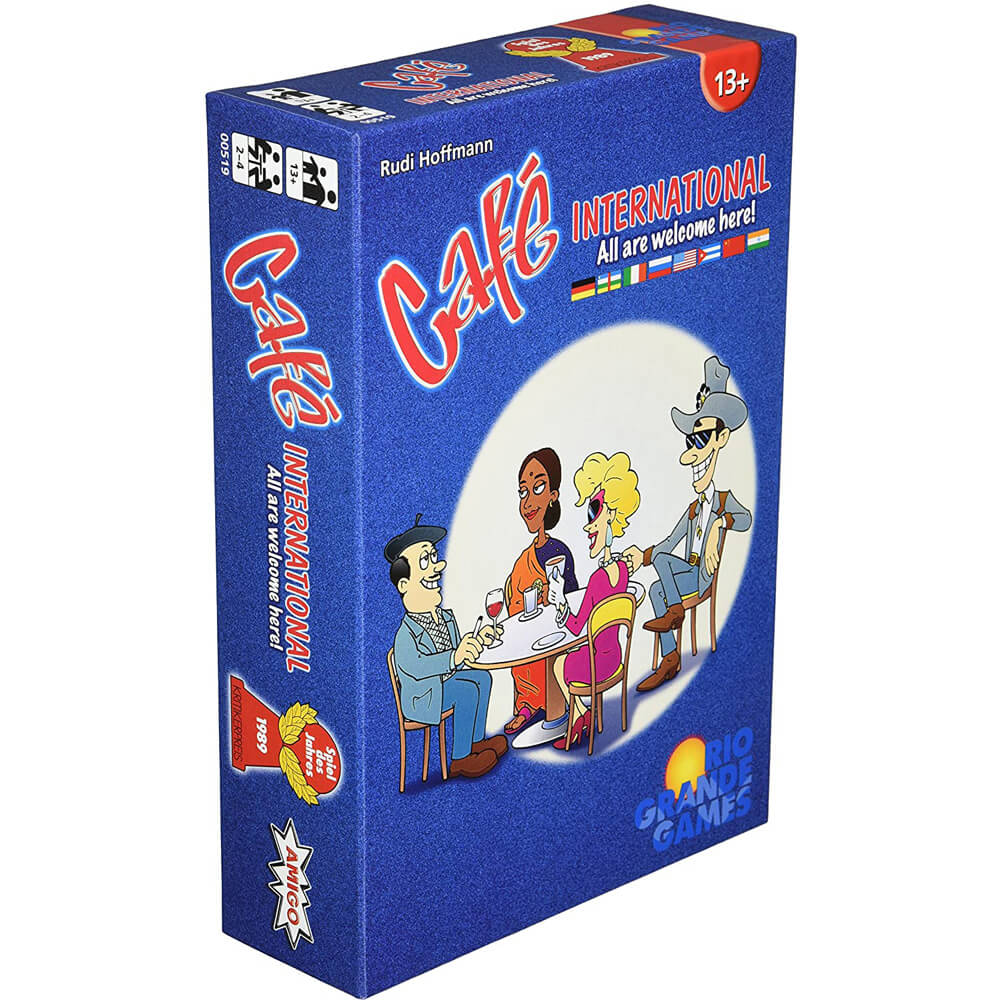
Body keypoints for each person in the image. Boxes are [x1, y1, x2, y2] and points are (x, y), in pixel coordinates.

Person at [623, 356, 752, 692]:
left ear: (721, 438)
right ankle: (670, 660)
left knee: (663, 569)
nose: (689, 455)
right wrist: (642, 556)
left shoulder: (722, 501)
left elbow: (746, 518)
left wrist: (720, 524)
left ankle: (675, 611)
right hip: (686, 575)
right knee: (656, 587)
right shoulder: (693, 509)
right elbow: (669, 543)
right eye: (688, 442)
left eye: (700, 439)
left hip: (701, 577)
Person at [386, 515, 508, 779]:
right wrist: (454, 656)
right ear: (404, 584)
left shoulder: (445, 618)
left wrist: (478, 641)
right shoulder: (406, 634)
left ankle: (475, 742)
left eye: (434, 557)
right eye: (425, 561)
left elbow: (458, 656)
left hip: (444, 683)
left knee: (482, 678)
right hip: (423, 697)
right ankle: (460, 759)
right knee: (465, 691)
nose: (438, 566)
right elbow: (418, 667)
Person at [549, 452, 640, 750]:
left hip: (597, 664)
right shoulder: (622, 571)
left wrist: (560, 603)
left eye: (594, 512)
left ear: (611, 513)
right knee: (574, 652)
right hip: (616, 658)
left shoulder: (598, 579)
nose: (588, 527)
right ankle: (585, 716)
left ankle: (580, 718)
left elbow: (576, 627)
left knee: (559, 663)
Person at [502, 448, 579, 736]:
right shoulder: (523, 560)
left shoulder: (559, 552)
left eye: (537, 488)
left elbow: (573, 598)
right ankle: (528, 704)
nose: (528, 502)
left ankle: (559, 709)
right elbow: (514, 602)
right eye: (523, 492)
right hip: (529, 637)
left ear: (553, 495)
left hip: (559, 635)